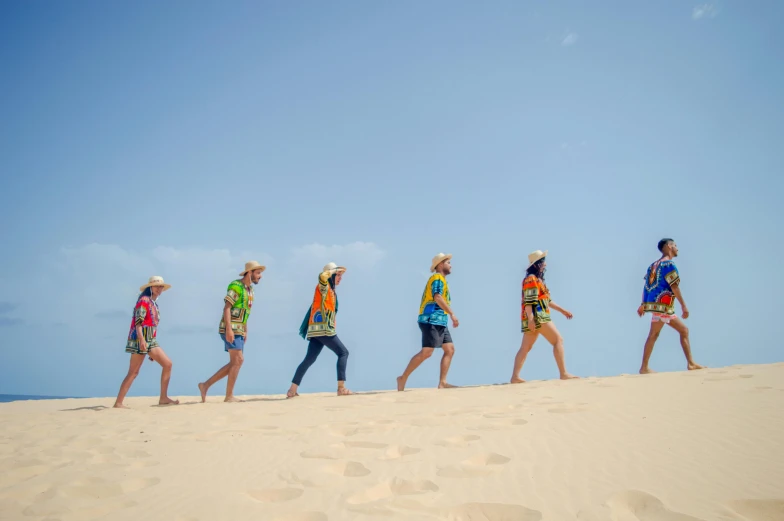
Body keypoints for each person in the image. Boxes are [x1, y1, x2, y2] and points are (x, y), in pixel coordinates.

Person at [199, 261, 265, 403]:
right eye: (258, 273)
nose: (260, 276)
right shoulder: (236, 286)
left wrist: (245, 330)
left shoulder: (250, 290)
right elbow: (227, 308)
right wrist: (229, 329)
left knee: (236, 362)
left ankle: (206, 385)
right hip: (230, 328)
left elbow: (246, 311)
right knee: (238, 360)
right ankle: (228, 396)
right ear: (250, 272)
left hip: (240, 329)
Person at [511, 250, 578, 382]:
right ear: (537, 264)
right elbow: (529, 302)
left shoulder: (536, 280)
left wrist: (562, 310)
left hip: (533, 318)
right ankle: (563, 373)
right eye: (543, 262)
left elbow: (547, 300)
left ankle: (515, 377)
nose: (545, 265)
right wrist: (531, 319)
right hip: (538, 317)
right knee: (558, 340)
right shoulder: (531, 279)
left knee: (525, 348)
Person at [638, 239, 704, 374]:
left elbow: (646, 287)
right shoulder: (669, 265)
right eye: (675, 245)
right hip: (664, 305)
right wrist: (684, 306)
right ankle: (690, 363)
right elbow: (674, 286)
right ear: (669, 246)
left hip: (655, 305)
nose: (677, 248)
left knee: (653, 335)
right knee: (683, 330)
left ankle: (644, 367)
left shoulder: (653, 266)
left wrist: (643, 304)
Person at [287, 262, 352, 398]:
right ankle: (341, 388)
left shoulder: (331, 290)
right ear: (331, 275)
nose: (340, 278)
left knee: (309, 359)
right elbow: (322, 277)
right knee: (343, 353)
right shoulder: (324, 287)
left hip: (316, 329)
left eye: (341, 275)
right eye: (338, 275)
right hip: (324, 329)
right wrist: (329, 273)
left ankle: (292, 390)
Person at [114, 276, 179, 408]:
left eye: (161, 286)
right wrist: (142, 340)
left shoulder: (153, 303)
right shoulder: (144, 300)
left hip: (150, 339)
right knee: (133, 372)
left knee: (167, 364)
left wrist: (150, 349)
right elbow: (139, 322)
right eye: (156, 286)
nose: (159, 288)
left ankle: (163, 397)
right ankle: (118, 402)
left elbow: (153, 325)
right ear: (150, 287)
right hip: (140, 338)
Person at [397, 253, 459, 391]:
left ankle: (443, 382)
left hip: (440, 321)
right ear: (441, 264)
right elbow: (437, 297)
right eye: (448, 262)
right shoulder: (437, 278)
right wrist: (452, 314)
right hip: (431, 319)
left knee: (449, 349)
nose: (451, 265)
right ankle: (403, 377)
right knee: (427, 352)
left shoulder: (442, 279)